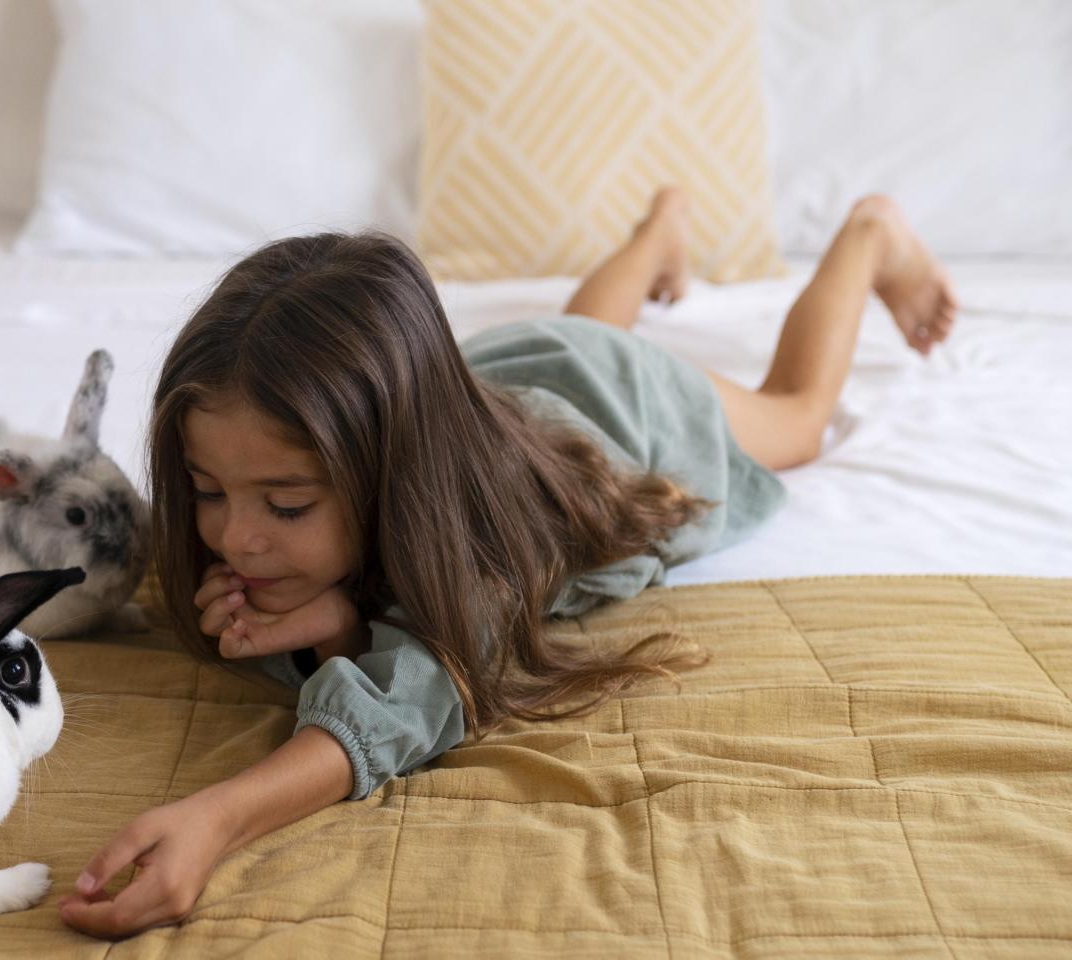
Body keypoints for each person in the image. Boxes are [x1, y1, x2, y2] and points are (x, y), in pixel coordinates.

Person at [56, 190, 958, 937]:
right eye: (208, 489)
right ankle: (656, 235)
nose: (236, 539)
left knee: (794, 415)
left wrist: (216, 818)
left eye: (286, 506)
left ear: (392, 471)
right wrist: (339, 619)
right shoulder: (380, 425)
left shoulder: (486, 552)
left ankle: (868, 234)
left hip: (620, 403)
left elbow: (410, 697)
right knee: (570, 328)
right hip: (503, 377)